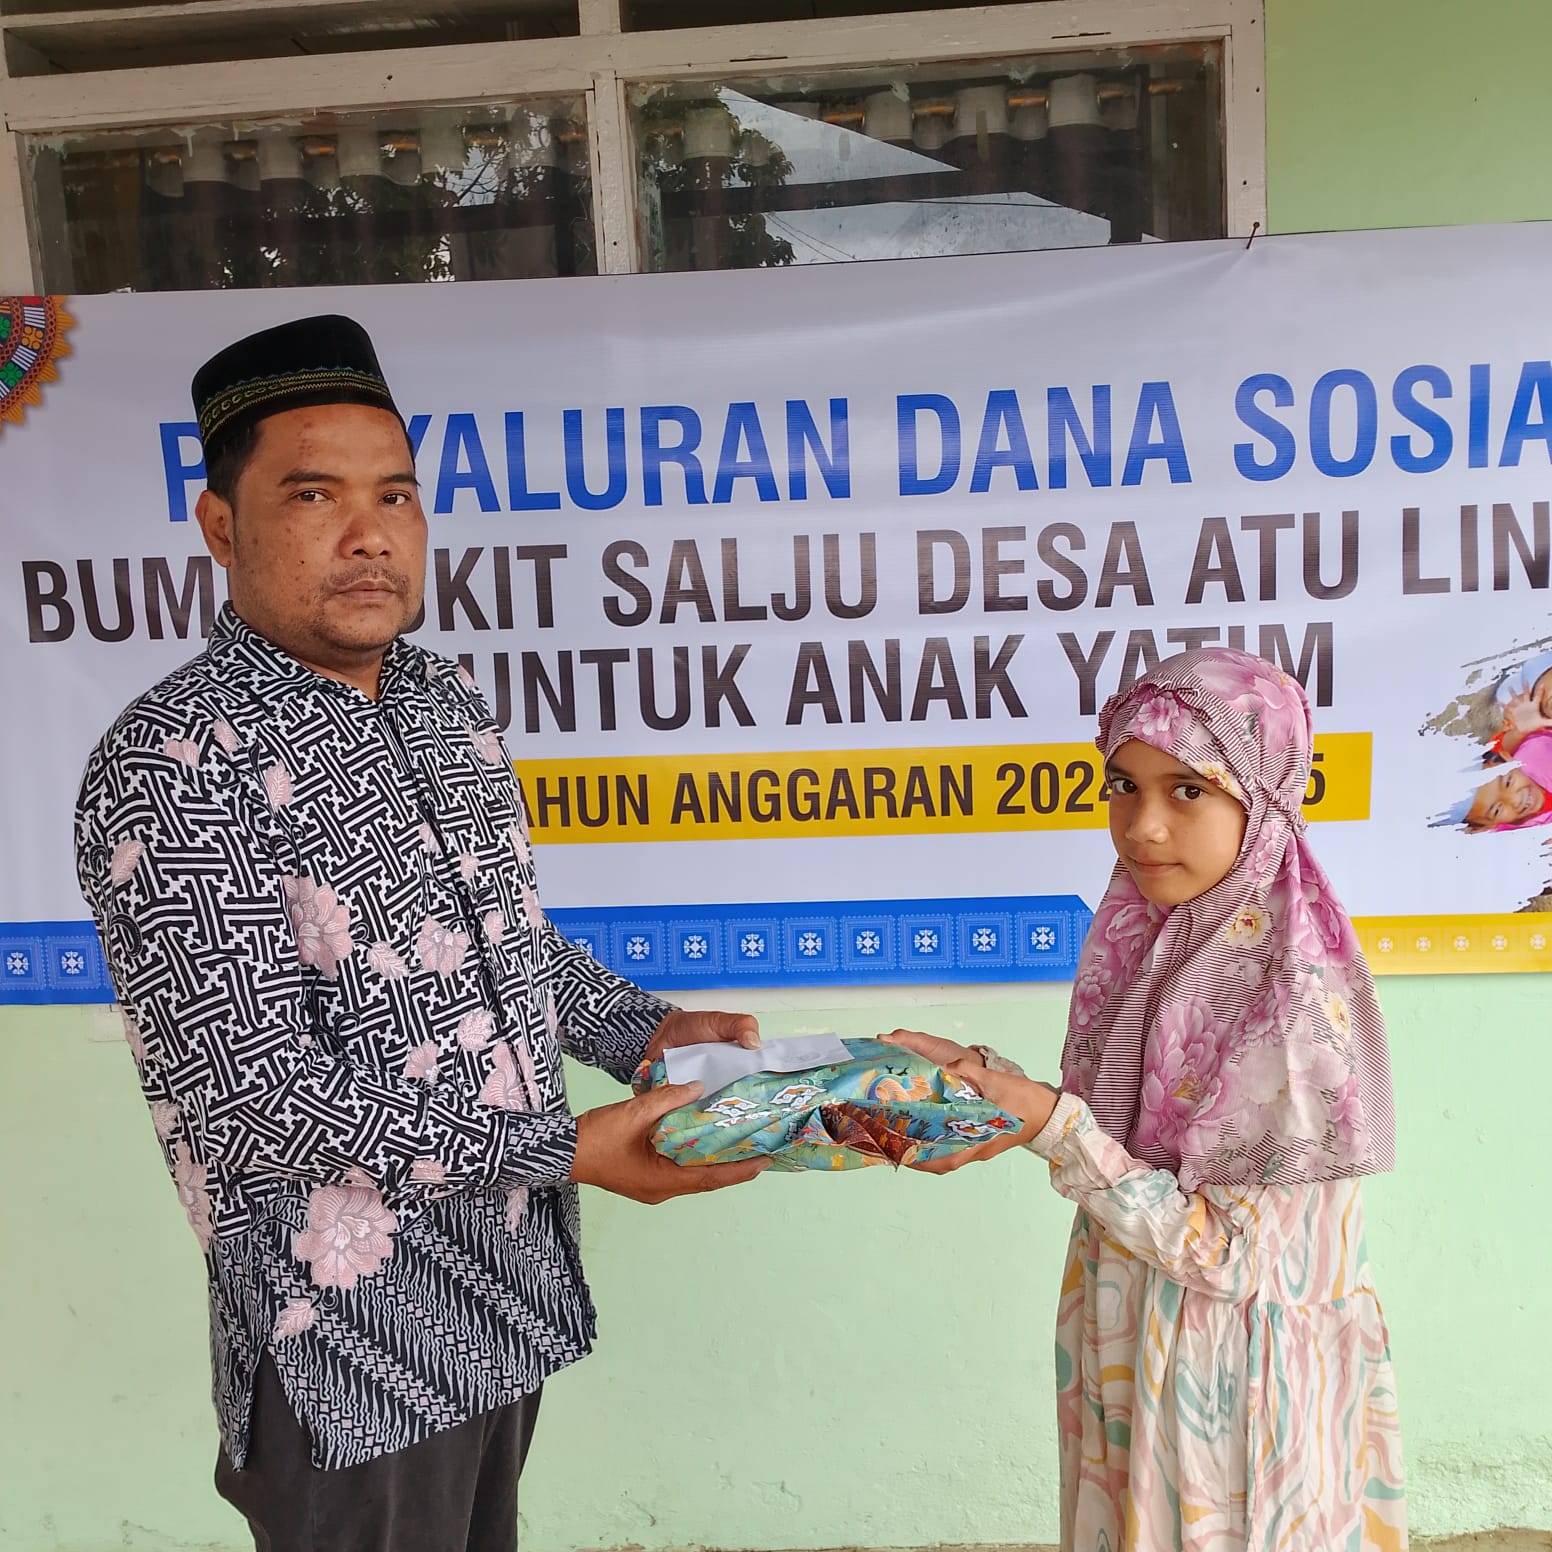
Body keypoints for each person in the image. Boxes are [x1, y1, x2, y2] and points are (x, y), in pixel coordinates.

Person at [73, 314, 767, 1552]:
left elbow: (504, 941)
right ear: (221, 526)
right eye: (313, 495)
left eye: (394, 494)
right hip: (345, 1343)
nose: (369, 534)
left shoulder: (444, 699)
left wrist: (644, 1029)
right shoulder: (171, 763)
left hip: (504, 1290)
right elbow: (260, 1099)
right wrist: (568, 1146)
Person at [884, 648, 1405, 1552]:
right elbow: (1122, 1144)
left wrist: (1051, 1127)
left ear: (1264, 798)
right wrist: (988, 1082)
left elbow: (1228, 1258)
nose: (1142, 826)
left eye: (1188, 790)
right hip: (1141, 1349)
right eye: (1123, 785)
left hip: (1231, 1399)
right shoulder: (1156, 945)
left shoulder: (1287, 1002)